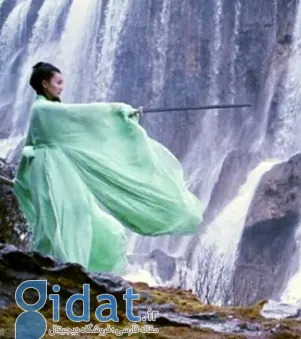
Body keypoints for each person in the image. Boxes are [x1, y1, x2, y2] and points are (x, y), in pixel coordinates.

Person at [13, 62, 204, 274]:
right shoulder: (43, 109)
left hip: (62, 171)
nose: (62, 87)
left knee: (77, 213)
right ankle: (56, 269)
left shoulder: (48, 111)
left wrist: (22, 175)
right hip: (50, 172)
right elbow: (83, 115)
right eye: (58, 82)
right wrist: (116, 111)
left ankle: (70, 267)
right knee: (56, 217)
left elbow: (33, 142)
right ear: (44, 83)